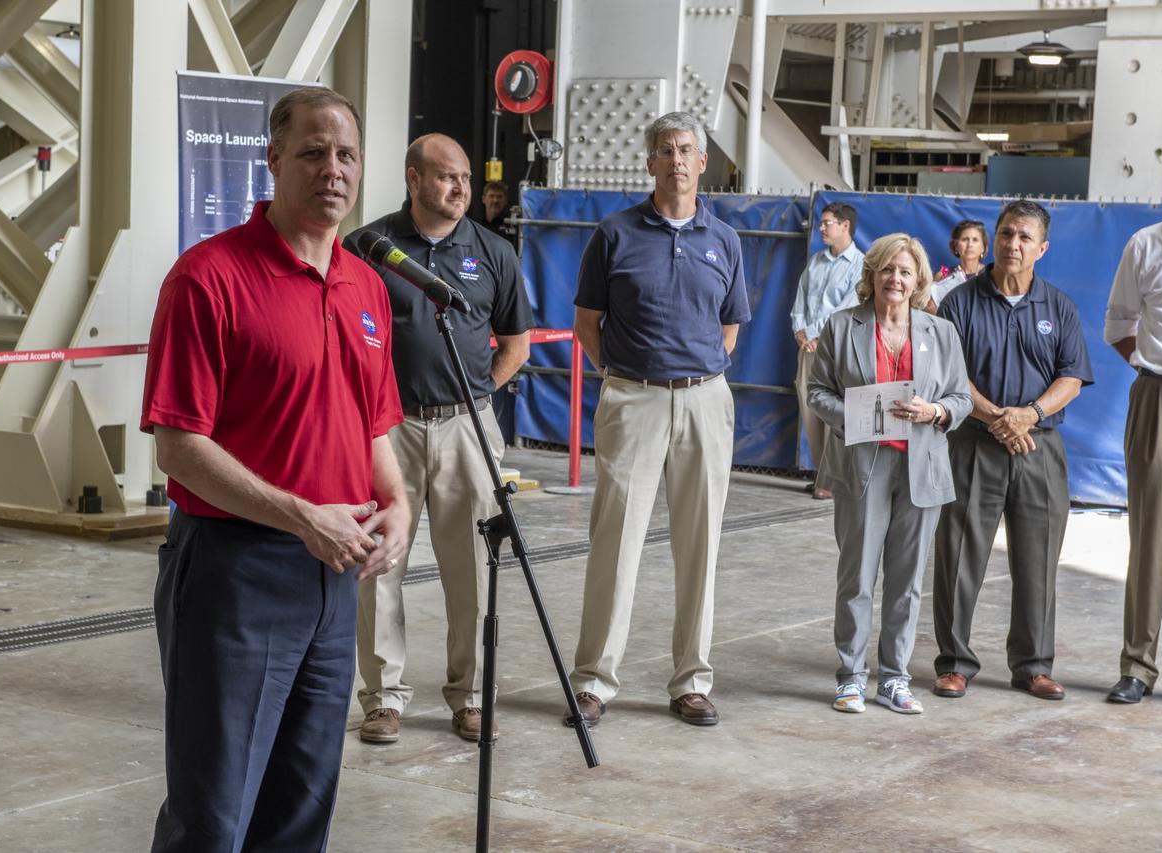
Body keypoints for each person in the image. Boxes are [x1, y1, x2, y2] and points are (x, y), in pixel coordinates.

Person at [141, 86, 410, 852]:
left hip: (334, 577)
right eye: (314, 152)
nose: (335, 169)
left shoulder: (366, 287)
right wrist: (301, 514)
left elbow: (371, 425)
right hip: (235, 573)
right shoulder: (210, 278)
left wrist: (397, 503)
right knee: (214, 812)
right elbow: (177, 444)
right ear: (272, 162)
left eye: (348, 154)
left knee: (301, 806)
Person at [565, 111, 750, 728]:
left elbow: (730, 326)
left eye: (687, 150)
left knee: (700, 545)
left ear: (703, 164)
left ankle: (692, 681)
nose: (677, 159)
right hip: (633, 399)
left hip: (704, 399)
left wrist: (697, 374)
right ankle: (593, 682)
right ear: (649, 163)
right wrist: (623, 375)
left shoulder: (724, 241)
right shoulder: (614, 234)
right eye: (666, 150)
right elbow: (587, 321)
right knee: (615, 543)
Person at [346, 135, 532, 743]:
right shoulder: (369, 248)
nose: (460, 190)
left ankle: (471, 697)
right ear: (413, 178)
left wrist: (476, 396)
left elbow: (515, 345)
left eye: (466, 180)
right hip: (386, 429)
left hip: (466, 427)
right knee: (379, 566)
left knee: (473, 570)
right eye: (447, 178)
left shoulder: (494, 251)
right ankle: (383, 698)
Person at [931, 199, 1093, 702]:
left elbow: (1072, 375)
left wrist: (1030, 415)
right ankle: (954, 662)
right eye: (1005, 234)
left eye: (1024, 237)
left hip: (1039, 447)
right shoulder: (959, 302)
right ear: (993, 239)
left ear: (1042, 248)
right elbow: (948, 374)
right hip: (973, 443)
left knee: (1038, 559)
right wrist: (997, 418)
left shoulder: (1058, 307)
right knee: (959, 556)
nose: (1012, 244)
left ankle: (1033, 665)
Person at [808, 234, 972, 715]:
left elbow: (961, 399)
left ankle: (895, 679)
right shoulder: (842, 327)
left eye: (904, 271)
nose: (895, 279)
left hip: (921, 467)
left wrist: (936, 410)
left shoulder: (940, 333)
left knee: (906, 579)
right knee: (856, 577)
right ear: (872, 276)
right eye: (886, 270)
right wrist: (855, 415)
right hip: (863, 463)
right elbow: (818, 393)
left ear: (919, 279)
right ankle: (851, 677)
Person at [1103, 211, 1162, 704]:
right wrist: (1154, 371)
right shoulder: (1147, 244)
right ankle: (1137, 666)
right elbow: (1119, 324)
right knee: (1150, 536)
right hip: (1160, 397)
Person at [791, 202, 863, 499]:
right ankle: (824, 473)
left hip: (835, 348)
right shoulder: (817, 261)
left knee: (833, 412)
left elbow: (847, 308)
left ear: (845, 225)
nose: (821, 228)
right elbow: (801, 297)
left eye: (827, 223)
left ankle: (833, 477)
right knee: (810, 408)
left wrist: (814, 333)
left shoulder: (860, 264)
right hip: (808, 347)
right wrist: (799, 329)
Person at [927, 219, 988, 311]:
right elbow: (930, 309)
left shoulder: (992, 274)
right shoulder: (945, 275)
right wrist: (935, 288)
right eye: (965, 239)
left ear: (983, 247)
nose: (970, 244)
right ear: (956, 246)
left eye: (975, 240)